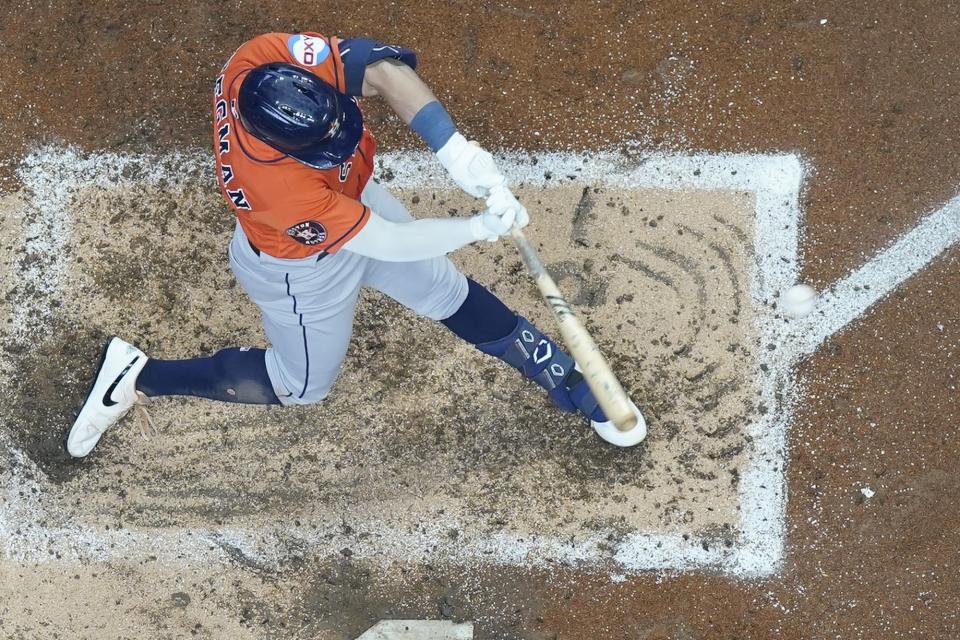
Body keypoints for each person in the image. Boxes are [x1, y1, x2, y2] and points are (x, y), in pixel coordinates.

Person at [65, 32, 618, 458]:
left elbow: (380, 69)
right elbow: (390, 243)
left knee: (443, 289)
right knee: (300, 386)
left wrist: (455, 150)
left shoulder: (260, 60)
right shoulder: (276, 188)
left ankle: (555, 370)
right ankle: (139, 375)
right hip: (303, 269)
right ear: (283, 147)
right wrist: (477, 227)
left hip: (351, 204)